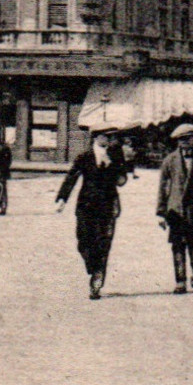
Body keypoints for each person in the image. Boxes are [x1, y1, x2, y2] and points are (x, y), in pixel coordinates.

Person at [55, 127, 132, 299]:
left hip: (108, 206)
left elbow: (121, 180)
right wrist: (62, 199)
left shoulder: (116, 155)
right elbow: (71, 177)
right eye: (106, 136)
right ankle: (94, 267)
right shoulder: (85, 156)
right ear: (96, 137)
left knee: (103, 243)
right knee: (83, 242)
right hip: (86, 205)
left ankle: (97, 280)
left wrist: (113, 165)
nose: (110, 140)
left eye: (111, 137)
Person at [157, 123, 193, 293]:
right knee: (177, 246)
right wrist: (161, 213)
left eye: (187, 139)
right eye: (180, 140)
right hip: (176, 211)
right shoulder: (170, 160)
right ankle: (180, 281)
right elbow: (163, 187)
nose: (183, 142)